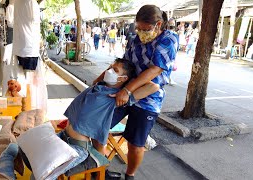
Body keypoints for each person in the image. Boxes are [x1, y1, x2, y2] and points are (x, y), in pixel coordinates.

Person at [20, 58, 159, 179]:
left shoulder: (117, 98)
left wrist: (127, 91)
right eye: (110, 67)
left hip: (77, 149)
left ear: (123, 79)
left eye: (115, 70)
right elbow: (97, 80)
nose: (109, 71)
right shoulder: (99, 86)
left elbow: (154, 86)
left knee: (44, 174)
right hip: (63, 137)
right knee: (26, 149)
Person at [93, 5, 178, 180]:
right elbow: (123, 63)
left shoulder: (168, 40)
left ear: (159, 24)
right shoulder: (135, 38)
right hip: (123, 90)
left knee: (135, 144)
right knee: (96, 126)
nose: (140, 32)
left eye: (145, 29)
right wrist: (100, 79)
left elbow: (155, 70)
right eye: (138, 28)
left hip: (148, 97)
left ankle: (129, 176)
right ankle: (101, 170)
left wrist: (127, 90)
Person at [168, 18, 179, 86]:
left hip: (172, 53)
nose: (172, 25)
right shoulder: (165, 34)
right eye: (171, 23)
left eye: (173, 23)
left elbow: (176, 46)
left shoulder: (175, 35)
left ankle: (168, 78)